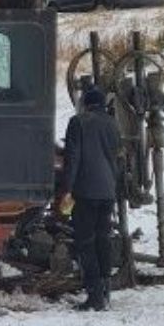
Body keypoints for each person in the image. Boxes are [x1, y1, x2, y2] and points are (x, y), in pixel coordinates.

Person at [60, 84, 123, 311]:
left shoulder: (78, 122)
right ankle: (105, 292)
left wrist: (66, 189)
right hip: (108, 191)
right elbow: (117, 157)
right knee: (103, 239)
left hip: (86, 191)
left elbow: (73, 158)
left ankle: (94, 296)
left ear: (85, 103)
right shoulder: (113, 124)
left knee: (86, 242)